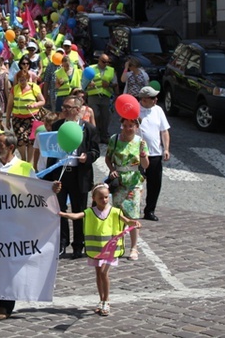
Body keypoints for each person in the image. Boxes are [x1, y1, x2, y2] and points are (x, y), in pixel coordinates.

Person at [0, 132, 61, 321]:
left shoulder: (24, 167)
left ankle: (6, 304)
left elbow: (36, 190)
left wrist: (51, 189)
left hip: (16, 222)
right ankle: (2, 296)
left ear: (11, 147)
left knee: (10, 262)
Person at [59, 183, 142, 316]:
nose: (104, 200)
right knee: (98, 274)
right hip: (96, 250)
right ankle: (101, 299)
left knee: (104, 273)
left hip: (110, 250)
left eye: (106, 197)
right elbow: (76, 216)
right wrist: (62, 214)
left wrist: (134, 223)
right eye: (101, 198)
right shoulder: (90, 212)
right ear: (94, 199)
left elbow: (127, 221)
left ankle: (106, 300)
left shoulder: (115, 211)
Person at [46, 95, 101, 259]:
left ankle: (79, 244)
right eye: (63, 107)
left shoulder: (88, 128)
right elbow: (50, 151)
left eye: (68, 107)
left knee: (79, 211)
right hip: (60, 174)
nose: (64, 110)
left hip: (79, 175)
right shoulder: (57, 126)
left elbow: (96, 151)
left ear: (77, 110)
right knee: (60, 210)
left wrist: (87, 157)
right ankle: (62, 243)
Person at [105, 117, 150, 261]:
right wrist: (112, 169)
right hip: (119, 181)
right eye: (125, 125)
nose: (127, 128)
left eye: (131, 126)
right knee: (118, 214)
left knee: (133, 214)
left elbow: (145, 165)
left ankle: (134, 248)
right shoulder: (115, 139)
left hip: (133, 181)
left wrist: (143, 154)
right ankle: (117, 245)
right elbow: (108, 158)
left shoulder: (140, 142)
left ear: (136, 127)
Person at [137, 85, 170, 221]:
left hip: (155, 153)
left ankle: (150, 210)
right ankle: (133, 207)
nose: (156, 99)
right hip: (137, 153)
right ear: (144, 100)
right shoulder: (135, 110)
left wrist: (166, 148)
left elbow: (164, 130)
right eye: (153, 98)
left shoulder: (158, 110)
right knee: (135, 183)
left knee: (155, 184)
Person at [6, 71, 45, 163]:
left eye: (23, 80)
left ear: (27, 79)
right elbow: (10, 105)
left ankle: (29, 162)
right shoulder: (15, 89)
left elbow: (42, 101)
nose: (22, 82)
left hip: (31, 117)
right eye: (20, 80)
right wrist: (7, 119)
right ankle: (23, 158)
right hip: (17, 118)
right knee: (20, 139)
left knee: (31, 140)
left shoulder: (34, 87)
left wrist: (34, 105)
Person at [86, 54, 118, 144]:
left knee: (105, 117)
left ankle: (104, 136)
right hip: (93, 95)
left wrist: (109, 85)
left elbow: (115, 83)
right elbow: (83, 82)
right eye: (103, 62)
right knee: (95, 115)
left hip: (105, 97)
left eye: (107, 62)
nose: (105, 64)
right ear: (99, 60)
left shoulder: (111, 70)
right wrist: (89, 83)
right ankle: (95, 136)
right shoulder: (91, 68)